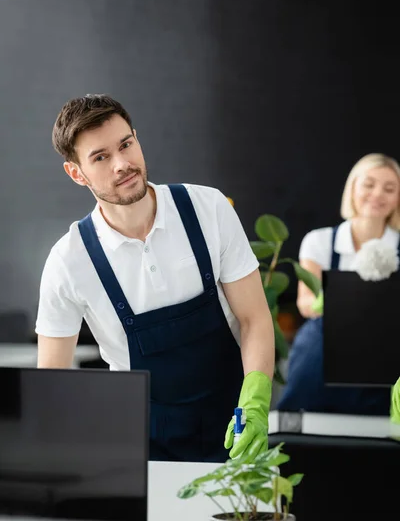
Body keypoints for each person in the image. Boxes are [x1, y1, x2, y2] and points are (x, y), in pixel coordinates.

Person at [36, 94, 274, 462]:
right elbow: (54, 383)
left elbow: (253, 318)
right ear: (76, 173)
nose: (122, 164)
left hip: (234, 427)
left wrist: (256, 403)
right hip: (137, 444)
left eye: (126, 144)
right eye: (101, 157)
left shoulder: (207, 209)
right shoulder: (68, 261)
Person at [277, 153, 400, 415]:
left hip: (384, 356)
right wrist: (338, 301)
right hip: (322, 351)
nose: (378, 194)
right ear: (353, 188)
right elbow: (306, 303)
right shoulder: (320, 241)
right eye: (368, 184)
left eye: (389, 188)